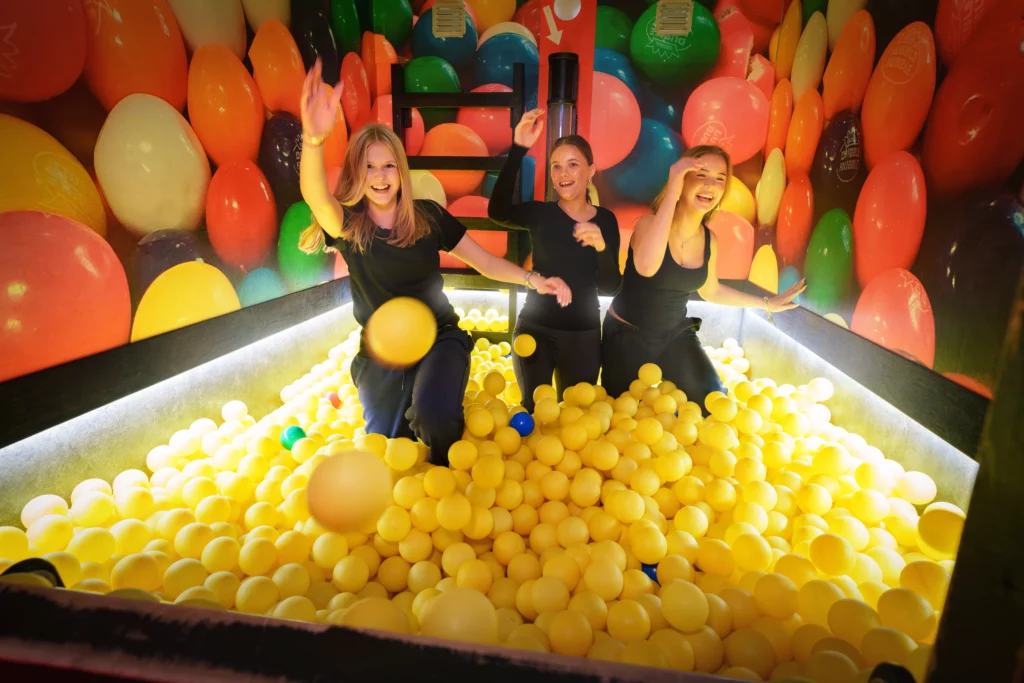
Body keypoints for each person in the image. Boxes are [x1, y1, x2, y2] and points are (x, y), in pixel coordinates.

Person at [296, 60, 571, 464]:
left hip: (439, 337)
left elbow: (484, 261)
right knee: (391, 446)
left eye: (389, 164)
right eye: (370, 166)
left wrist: (532, 278)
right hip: (381, 351)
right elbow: (316, 195)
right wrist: (314, 138)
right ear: (357, 172)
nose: (380, 175)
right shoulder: (349, 226)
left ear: (401, 171)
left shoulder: (427, 216)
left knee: (434, 418)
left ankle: (447, 475)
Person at [601, 145, 805, 410]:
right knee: (623, 413)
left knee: (713, 402)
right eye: (701, 175)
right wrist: (673, 187)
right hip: (627, 334)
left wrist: (766, 303)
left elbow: (712, 292)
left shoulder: (710, 240)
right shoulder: (647, 224)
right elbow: (648, 267)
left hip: (675, 336)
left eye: (720, 179)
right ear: (682, 179)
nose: (711, 185)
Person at [489, 108, 621, 411]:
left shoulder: (606, 221)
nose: (563, 174)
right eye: (556, 166)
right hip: (536, 328)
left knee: (576, 419)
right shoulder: (541, 214)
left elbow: (612, 287)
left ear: (590, 171)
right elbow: (497, 211)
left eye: (573, 165)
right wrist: (519, 148)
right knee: (535, 413)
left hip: (584, 335)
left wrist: (602, 248)